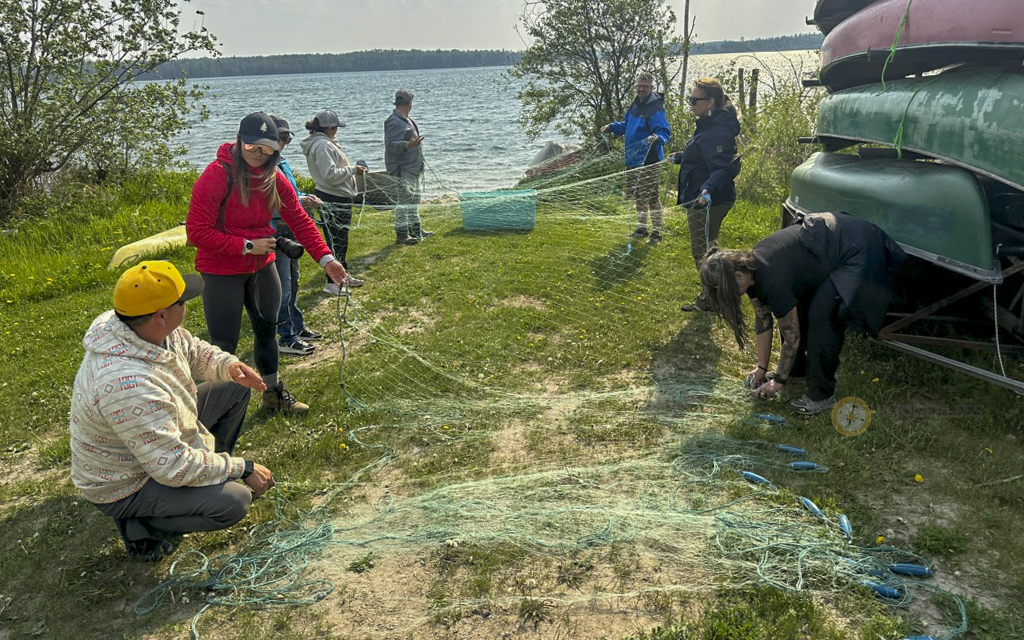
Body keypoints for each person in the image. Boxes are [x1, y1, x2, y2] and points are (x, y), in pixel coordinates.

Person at [70, 261, 275, 561]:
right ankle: (140, 527)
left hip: (154, 446)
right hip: (127, 482)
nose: (187, 304)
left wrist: (228, 365)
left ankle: (211, 474)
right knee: (233, 502)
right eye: (182, 301)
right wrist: (241, 468)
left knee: (234, 385)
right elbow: (172, 466)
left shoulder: (138, 324)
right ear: (161, 315)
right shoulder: (129, 386)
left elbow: (190, 348)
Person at [186, 112, 347, 414]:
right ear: (240, 141)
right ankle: (215, 411)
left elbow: (300, 220)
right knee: (224, 344)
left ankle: (273, 396)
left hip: (261, 267)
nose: (260, 155)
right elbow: (197, 232)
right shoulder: (216, 175)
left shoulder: (274, 178)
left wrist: (327, 260)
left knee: (267, 331)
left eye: (268, 149)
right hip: (220, 271)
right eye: (253, 148)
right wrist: (246, 246)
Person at [699, 212, 906, 416]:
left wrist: (777, 382)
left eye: (722, 289)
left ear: (737, 275)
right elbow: (763, 321)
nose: (723, 295)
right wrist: (761, 368)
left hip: (856, 247)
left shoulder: (773, 282)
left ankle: (822, 394)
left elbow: (792, 337)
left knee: (822, 316)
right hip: (830, 243)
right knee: (797, 309)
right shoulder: (750, 271)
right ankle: (796, 372)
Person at [670, 77, 742, 311]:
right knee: (709, 248)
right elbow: (704, 154)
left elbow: (722, 167)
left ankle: (712, 298)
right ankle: (720, 293)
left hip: (709, 201)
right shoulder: (708, 125)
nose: (690, 104)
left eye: (694, 100)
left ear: (710, 102)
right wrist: (681, 157)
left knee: (701, 251)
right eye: (689, 99)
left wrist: (707, 190)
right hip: (705, 198)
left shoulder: (718, 130)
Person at [270, 115, 324, 355]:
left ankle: (297, 326)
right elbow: (268, 201)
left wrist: (305, 196)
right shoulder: (263, 168)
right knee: (282, 287)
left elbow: (291, 191)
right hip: (276, 230)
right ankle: (286, 337)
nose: (283, 142)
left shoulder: (282, 162)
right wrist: (299, 200)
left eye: (286, 138)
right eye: (279, 138)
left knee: (294, 280)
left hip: (291, 226)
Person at [299, 109, 368, 296]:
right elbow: (329, 175)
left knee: (340, 240)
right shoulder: (322, 146)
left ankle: (342, 275)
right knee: (336, 241)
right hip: (333, 197)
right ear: (329, 128)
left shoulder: (324, 143)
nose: (337, 130)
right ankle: (333, 283)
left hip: (336, 195)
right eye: (336, 127)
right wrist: (353, 170)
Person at [601, 71, 672, 244]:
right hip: (632, 160)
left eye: (645, 87)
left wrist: (656, 139)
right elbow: (627, 124)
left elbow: (664, 131)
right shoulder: (635, 104)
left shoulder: (654, 109)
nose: (641, 89)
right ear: (636, 86)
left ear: (652, 88)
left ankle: (656, 231)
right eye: (639, 86)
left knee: (651, 197)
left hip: (648, 160)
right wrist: (612, 127)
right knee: (638, 196)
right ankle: (642, 228)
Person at [384, 88, 434, 245]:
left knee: (413, 200)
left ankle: (415, 230)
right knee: (403, 201)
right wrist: (408, 144)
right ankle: (401, 234)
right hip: (402, 169)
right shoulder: (393, 121)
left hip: (412, 168)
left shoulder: (406, 119)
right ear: (408, 103)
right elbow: (391, 144)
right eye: (411, 101)